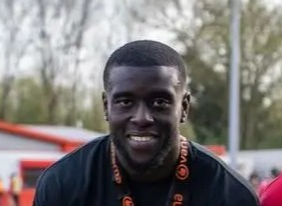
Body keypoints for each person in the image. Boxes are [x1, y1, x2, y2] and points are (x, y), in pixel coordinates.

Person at [33, 40, 259, 206]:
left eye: (159, 102)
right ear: (106, 106)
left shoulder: (230, 195)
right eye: (125, 102)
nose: (142, 118)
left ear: (184, 107)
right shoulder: (63, 184)